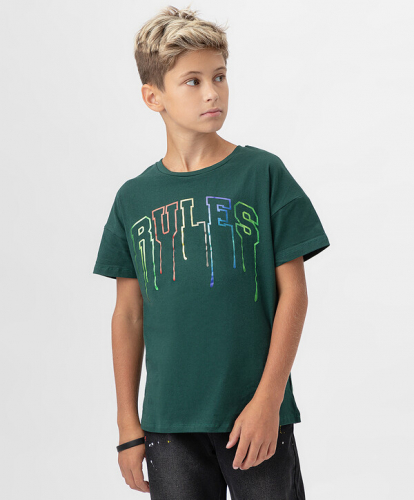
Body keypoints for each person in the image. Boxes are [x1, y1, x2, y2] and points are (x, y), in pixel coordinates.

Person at [93, 4, 330, 499]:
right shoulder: (133, 198)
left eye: (219, 76)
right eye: (193, 81)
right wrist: (127, 426)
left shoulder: (263, 174)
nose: (212, 92)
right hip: (168, 424)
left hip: (255, 417)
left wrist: (269, 401)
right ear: (153, 96)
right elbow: (128, 315)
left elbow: (294, 295)